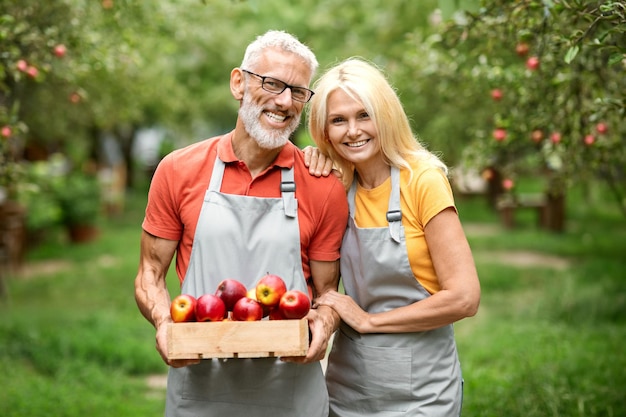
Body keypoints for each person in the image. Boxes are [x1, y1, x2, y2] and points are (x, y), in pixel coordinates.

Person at [134, 30, 348, 417]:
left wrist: (325, 323)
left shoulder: (322, 185)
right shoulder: (177, 170)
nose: (284, 101)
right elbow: (150, 273)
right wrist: (165, 323)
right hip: (200, 387)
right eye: (272, 84)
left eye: (298, 92)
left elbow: (327, 291)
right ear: (239, 82)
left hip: (290, 389)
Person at [307, 57, 481, 416]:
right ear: (324, 131)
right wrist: (306, 162)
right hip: (348, 385)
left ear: (385, 116)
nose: (352, 131)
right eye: (338, 120)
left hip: (421, 392)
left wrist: (370, 321)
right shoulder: (337, 186)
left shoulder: (423, 180)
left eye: (364, 115)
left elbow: (464, 298)